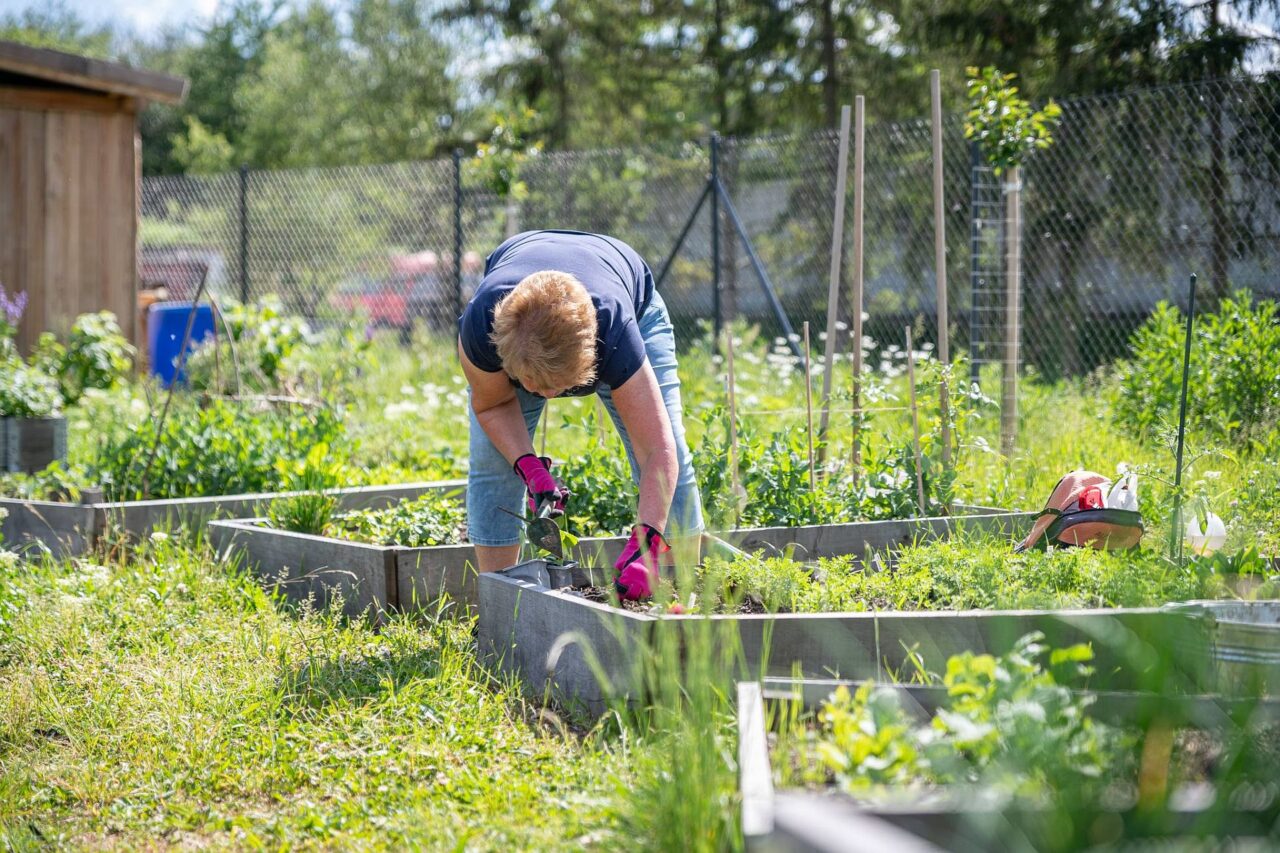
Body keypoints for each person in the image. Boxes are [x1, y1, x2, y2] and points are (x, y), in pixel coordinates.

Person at [458, 229, 703, 600]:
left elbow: (658, 450)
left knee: (675, 461)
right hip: (524, 323)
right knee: (492, 462)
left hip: (624, 300)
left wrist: (648, 541)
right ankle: (498, 603)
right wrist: (527, 465)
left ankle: (683, 596)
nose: (552, 396)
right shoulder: (482, 329)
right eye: (536, 385)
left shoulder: (616, 334)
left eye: (560, 385)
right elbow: (492, 404)